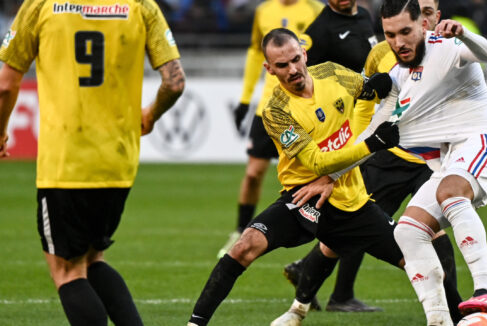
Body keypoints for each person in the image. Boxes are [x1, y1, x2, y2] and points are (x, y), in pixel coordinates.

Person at [187, 27, 402, 326]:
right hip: (304, 197)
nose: (292, 70)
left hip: (351, 200)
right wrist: (372, 144)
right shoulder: (275, 112)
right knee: (244, 246)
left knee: (417, 258)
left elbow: (367, 90)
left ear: (304, 53)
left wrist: (379, 84)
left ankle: (458, 315)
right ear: (269, 69)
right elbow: (316, 162)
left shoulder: (332, 72)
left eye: (295, 60)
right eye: (282, 66)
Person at [0, 1, 184, 325]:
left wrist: (0, 133)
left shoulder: (41, 4)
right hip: (118, 161)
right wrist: (151, 115)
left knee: (67, 271)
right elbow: (174, 82)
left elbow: (5, 85)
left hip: (66, 163)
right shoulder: (140, 5)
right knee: (92, 259)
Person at [282, 0, 462, 320]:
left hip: (431, 161)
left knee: (435, 234)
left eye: (430, 12)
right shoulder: (382, 53)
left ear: (437, 16)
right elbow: (366, 103)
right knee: (354, 232)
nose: (426, 19)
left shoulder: (451, 50)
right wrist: (358, 149)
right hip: (389, 158)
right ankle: (309, 290)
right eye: (419, 13)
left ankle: (456, 311)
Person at [377, 0, 487, 324]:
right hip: (452, 158)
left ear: (430, 19)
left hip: (486, 142)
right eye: (392, 34)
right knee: (408, 231)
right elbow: (372, 135)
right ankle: (438, 320)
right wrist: (329, 173)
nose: (402, 39)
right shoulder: (400, 74)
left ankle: (486, 289)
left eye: (427, 14)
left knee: (451, 190)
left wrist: (465, 34)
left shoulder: (449, 46)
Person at [217, 0, 324, 262]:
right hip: (268, 108)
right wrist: (245, 98)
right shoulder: (264, 11)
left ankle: (321, 246)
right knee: (253, 174)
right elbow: (256, 52)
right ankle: (241, 231)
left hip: (303, 107)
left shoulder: (314, 10)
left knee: (317, 175)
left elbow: (322, 53)